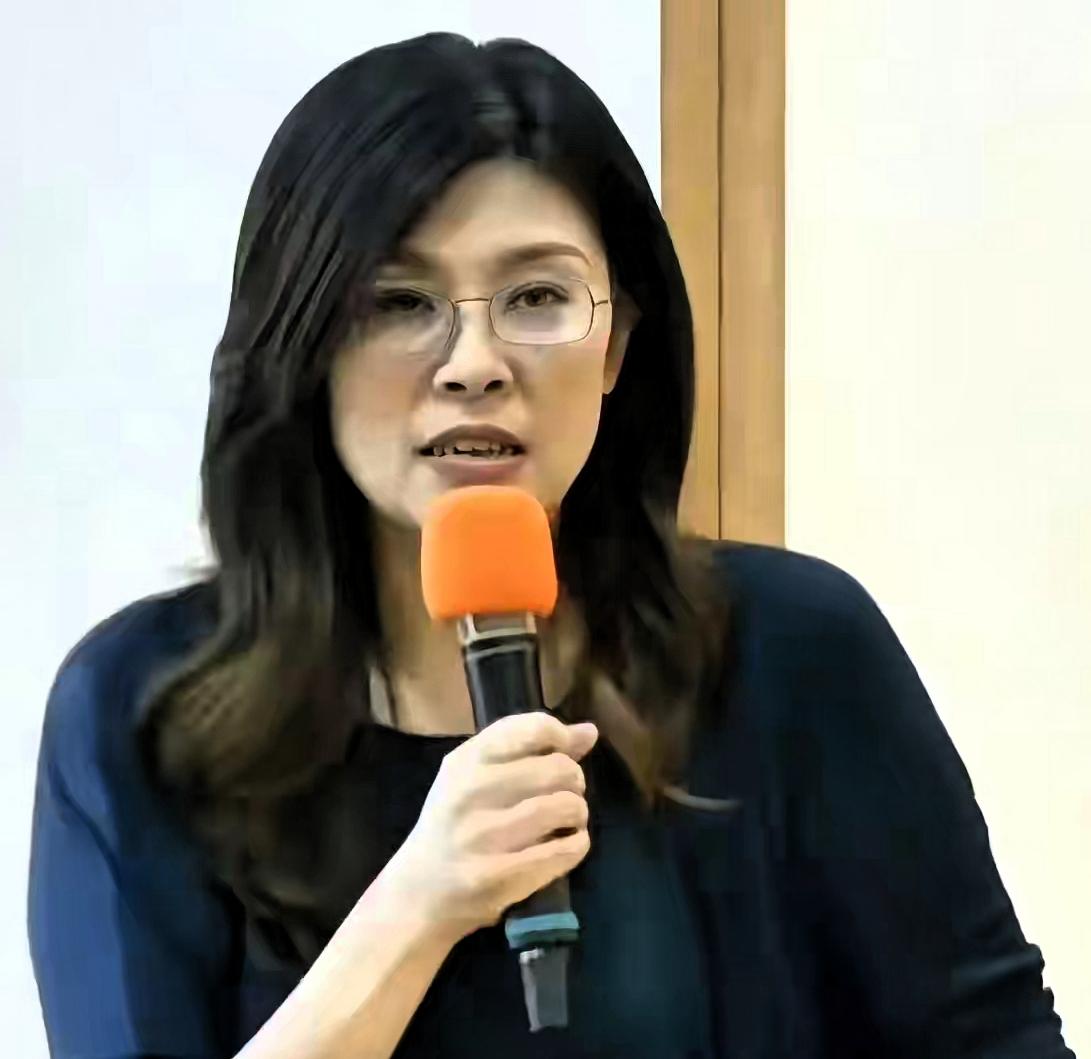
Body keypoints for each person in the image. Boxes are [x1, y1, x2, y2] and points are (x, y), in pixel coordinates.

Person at [26, 32, 1074, 1059]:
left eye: (536, 298)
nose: (472, 363)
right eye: (399, 302)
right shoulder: (135, 711)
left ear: (616, 345)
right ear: (304, 350)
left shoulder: (794, 650)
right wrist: (418, 906)